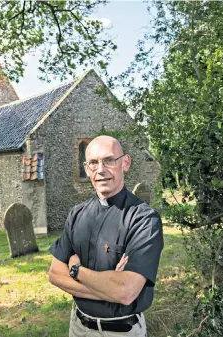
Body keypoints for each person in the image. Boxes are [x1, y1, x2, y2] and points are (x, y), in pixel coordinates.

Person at [48, 136, 164, 337]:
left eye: (109, 160)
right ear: (86, 168)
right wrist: (110, 289)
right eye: (93, 163)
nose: (100, 170)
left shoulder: (144, 220)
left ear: (125, 163)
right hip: (78, 328)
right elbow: (55, 274)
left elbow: (126, 292)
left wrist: (76, 270)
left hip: (122, 331)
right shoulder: (77, 215)